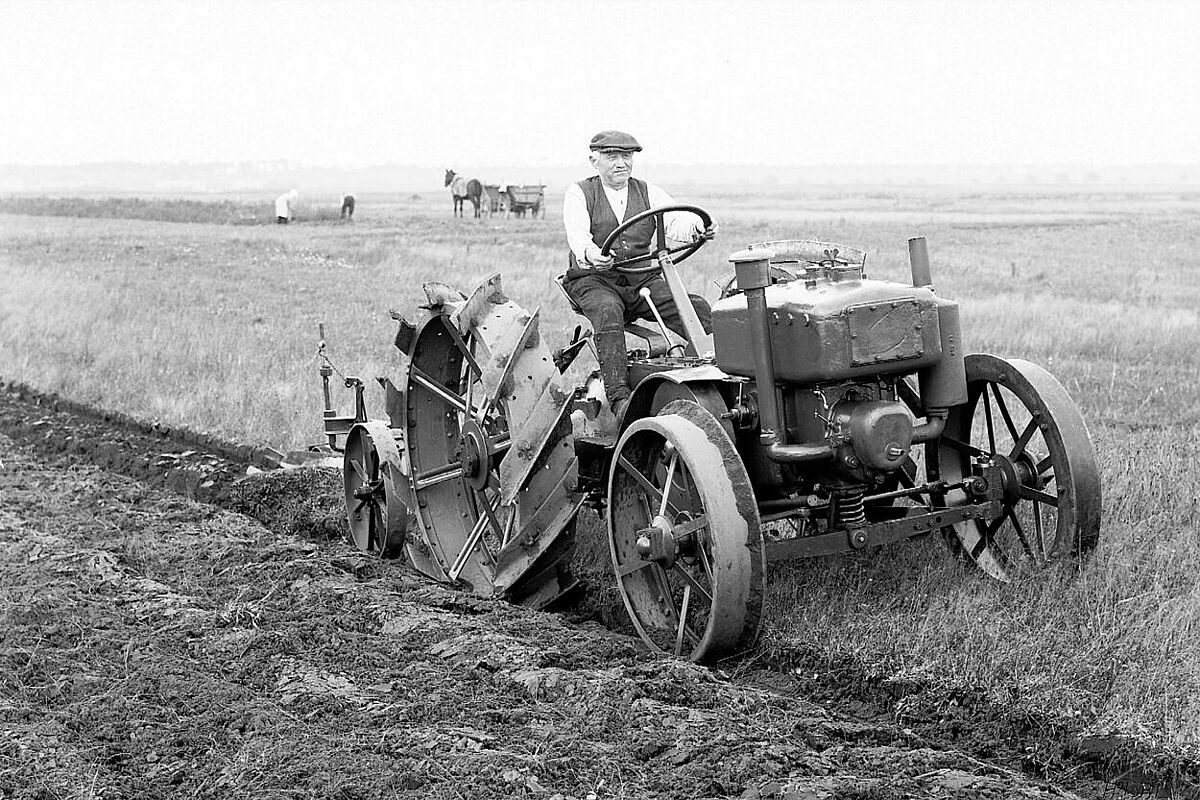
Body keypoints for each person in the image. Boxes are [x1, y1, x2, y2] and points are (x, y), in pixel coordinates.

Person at [561, 130, 715, 415]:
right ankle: (620, 398)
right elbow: (578, 236)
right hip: (595, 280)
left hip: (640, 278)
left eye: (626, 156)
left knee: (695, 307)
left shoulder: (648, 192)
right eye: (611, 156)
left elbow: (674, 222)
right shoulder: (580, 193)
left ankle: (715, 370)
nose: (621, 163)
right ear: (594, 159)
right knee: (608, 311)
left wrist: (697, 226)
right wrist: (593, 254)